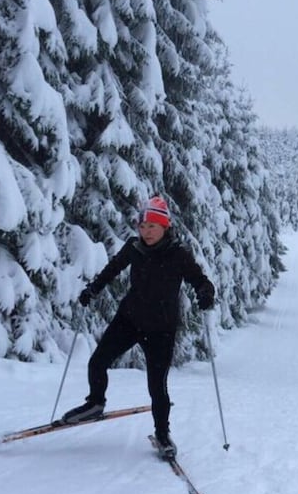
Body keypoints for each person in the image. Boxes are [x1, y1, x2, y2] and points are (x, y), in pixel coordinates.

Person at [61, 195, 216, 457]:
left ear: (165, 226)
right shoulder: (134, 247)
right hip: (129, 319)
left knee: (157, 386)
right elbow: (112, 269)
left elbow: (200, 279)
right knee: (97, 362)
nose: (146, 232)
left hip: (161, 329)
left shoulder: (178, 253)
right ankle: (95, 403)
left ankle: (163, 435)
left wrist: (205, 292)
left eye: (152, 226)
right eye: (142, 227)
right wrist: (93, 289)